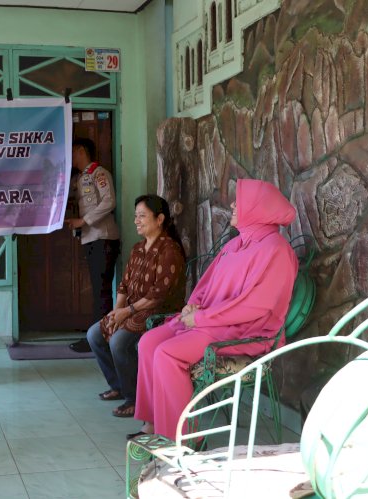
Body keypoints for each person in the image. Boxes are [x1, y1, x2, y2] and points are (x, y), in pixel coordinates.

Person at [129, 179, 298, 439]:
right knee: (149, 342)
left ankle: (184, 440)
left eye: (239, 201)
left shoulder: (277, 250)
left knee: (167, 353)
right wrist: (192, 306)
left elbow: (256, 307)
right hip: (212, 322)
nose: (232, 204)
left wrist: (202, 317)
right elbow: (206, 285)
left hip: (243, 330)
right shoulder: (235, 244)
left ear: (257, 208)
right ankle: (153, 424)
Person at [87, 195, 186, 417]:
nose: (136, 221)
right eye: (135, 216)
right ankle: (119, 386)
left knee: (119, 342)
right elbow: (123, 285)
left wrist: (127, 312)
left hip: (159, 313)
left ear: (159, 219)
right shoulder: (138, 248)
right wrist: (116, 311)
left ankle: (134, 399)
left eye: (142, 216)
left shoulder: (169, 250)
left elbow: (157, 296)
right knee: (95, 334)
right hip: (133, 308)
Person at [65, 137, 121, 353]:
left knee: (102, 292)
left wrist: (84, 221)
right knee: (99, 291)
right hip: (91, 239)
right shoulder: (79, 179)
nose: (70, 158)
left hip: (103, 238)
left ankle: (100, 339)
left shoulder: (99, 173)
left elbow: (109, 201)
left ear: (80, 151)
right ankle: (98, 337)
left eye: (71, 152)